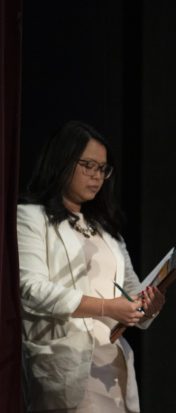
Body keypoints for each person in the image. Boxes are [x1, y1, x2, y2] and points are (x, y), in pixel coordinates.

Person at [17, 121, 166, 412]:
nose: (97, 176)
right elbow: (30, 290)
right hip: (66, 369)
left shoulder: (107, 233)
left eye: (103, 169)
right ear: (62, 161)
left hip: (112, 369)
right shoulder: (31, 218)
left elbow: (132, 293)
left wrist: (150, 304)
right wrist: (106, 307)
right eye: (88, 165)